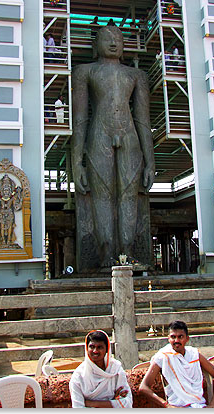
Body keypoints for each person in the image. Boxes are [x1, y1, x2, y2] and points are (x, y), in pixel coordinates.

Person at [71, 25, 155, 267]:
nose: (113, 42)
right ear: (96, 44)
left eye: (118, 38)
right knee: (102, 195)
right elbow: (80, 119)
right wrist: (77, 162)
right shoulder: (85, 71)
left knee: (129, 194)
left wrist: (150, 161)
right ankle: (107, 251)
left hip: (129, 137)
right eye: (106, 38)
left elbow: (142, 120)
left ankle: (127, 250)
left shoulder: (136, 76)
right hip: (100, 134)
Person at [139, 321, 214, 408]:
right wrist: (166, 405)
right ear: (168, 339)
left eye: (180, 337)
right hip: (178, 406)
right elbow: (143, 387)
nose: (176, 341)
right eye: (173, 337)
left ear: (187, 339)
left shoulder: (194, 354)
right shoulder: (163, 357)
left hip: (199, 405)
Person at [69, 330, 133, 408]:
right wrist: (113, 402)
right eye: (92, 347)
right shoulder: (79, 376)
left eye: (99, 347)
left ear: (107, 349)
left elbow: (127, 403)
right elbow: (78, 407)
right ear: (87, 348)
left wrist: (91, 404)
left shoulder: (116, 370)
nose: (95, 351)